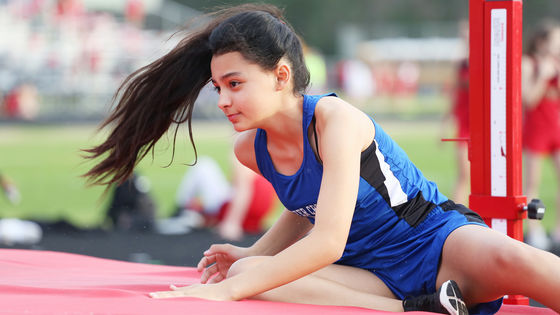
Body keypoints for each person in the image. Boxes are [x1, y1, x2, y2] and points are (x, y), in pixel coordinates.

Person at [83, 4, 560, 315]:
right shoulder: (250, 148)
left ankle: (432, 296)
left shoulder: (334, 119)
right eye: (218, 88)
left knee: (516, 260)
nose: (224, 101)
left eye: (234, 84)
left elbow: (327, 239)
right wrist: (251, 257)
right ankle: (419, 309)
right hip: (369, 276)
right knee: (251, 274)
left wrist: (225, 291)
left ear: (280, 75)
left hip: (433, 244)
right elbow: (303, 208)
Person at [158, 155, 277, 241]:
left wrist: (232, 223)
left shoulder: (245, 145)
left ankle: (180, 209)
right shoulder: (266, 145)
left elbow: (243, 189)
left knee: (203, 165)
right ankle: (191, 212)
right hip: (259, 213)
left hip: (244, 210)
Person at [521, 21, 560, 251]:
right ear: (541, 42)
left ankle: (557, 230)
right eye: (555, 41)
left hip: (556, 129)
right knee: (532, 183)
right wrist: (543, 76)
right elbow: (529, 100)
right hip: (536, 131)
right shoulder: (530, 64)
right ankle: (534, 232)